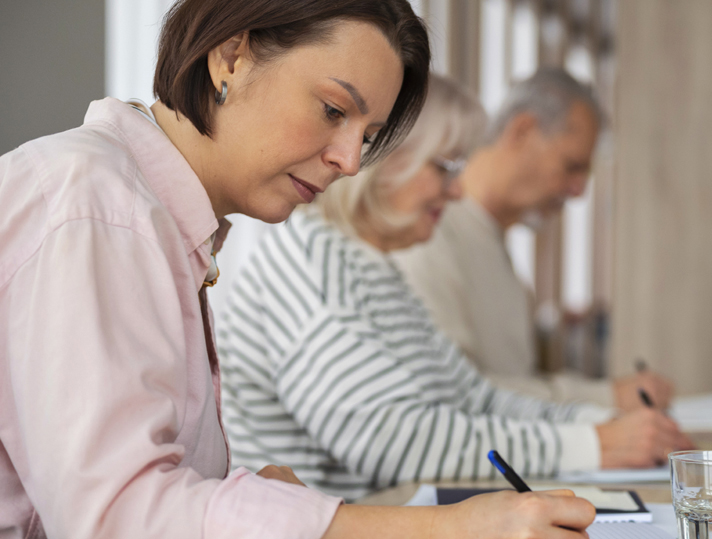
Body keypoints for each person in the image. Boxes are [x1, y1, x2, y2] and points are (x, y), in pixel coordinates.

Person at [0, 1, 598, 537]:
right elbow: (118, 520)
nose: (349, 161)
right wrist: (449, 530)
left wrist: (256, 503)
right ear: (231, 57)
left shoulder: (157, 220)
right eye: (333, 109)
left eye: (368, 137)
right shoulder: (98, 208)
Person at [216, 73, 694, 501]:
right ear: (387, 159)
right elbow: (392, 442)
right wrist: (592, 444)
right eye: (444, 168)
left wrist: (602, 427)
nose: (459, 190)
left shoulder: (374, 268)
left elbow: (477, 400)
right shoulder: (308, 262)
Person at [392, 68, 673, 410]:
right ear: (522, 130)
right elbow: (456, 395)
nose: (579, 190)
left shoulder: (493, 248)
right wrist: (606, 399)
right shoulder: (426, 234)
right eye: (571, 166)